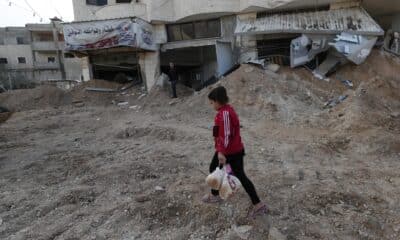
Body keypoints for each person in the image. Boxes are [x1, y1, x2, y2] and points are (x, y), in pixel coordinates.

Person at [202, 86, 267, 218]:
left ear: (218, 101)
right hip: (227, 149)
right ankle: (216, 195)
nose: (211, 105)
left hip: (230, 151)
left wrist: (221, 152)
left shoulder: (225, 113)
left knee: (237, 175)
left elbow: (226, 135)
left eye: (212, 102)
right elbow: (218, 130)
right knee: (217, 169)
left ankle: (258, 204)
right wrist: (216, 141)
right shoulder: (222, 112)